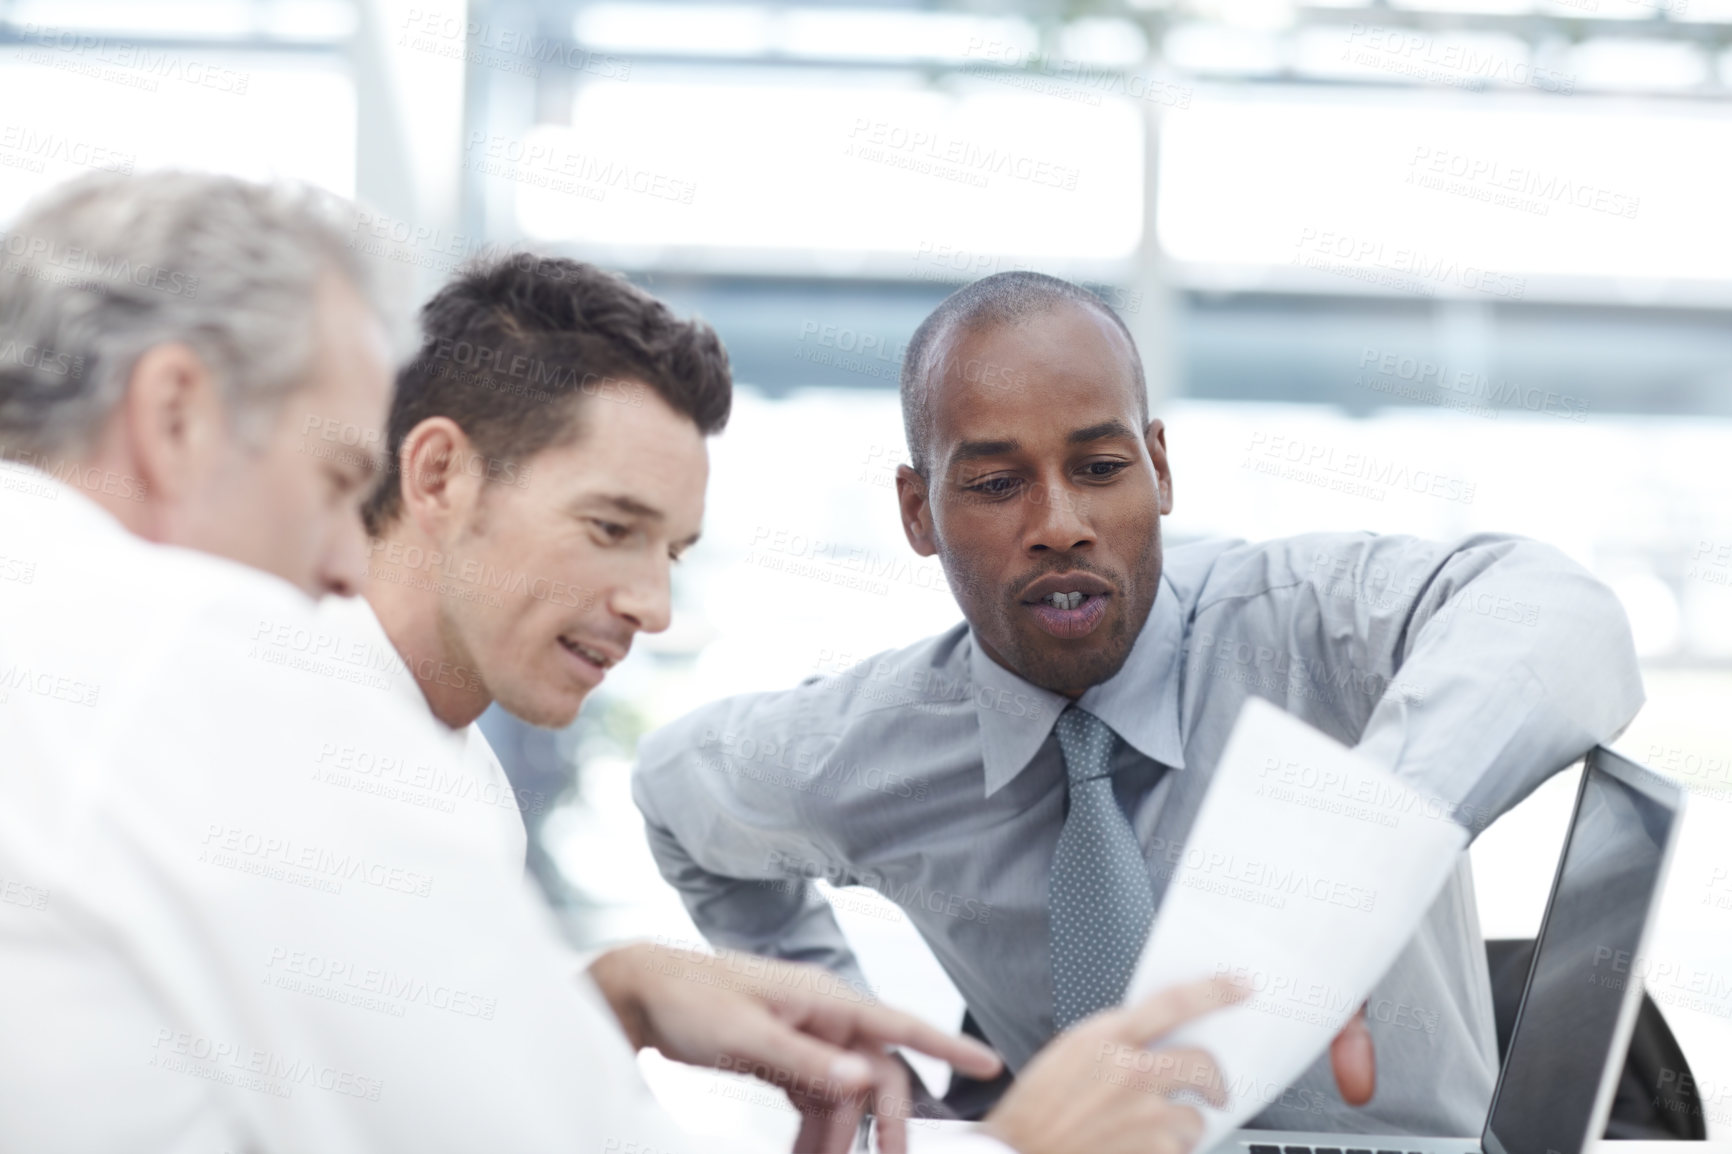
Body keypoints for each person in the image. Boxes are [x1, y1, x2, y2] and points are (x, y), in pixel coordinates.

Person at [0, 172, 1241, 1154]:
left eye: (672, 551)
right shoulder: (199, 661)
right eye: (333, 480)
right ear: (171, 417)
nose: (339, 553)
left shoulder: (87, 655)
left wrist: (601, 995)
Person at [632, 271, 1647, 1136]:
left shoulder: (1305, 627)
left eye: (1100, 467)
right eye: (994, 483)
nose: (1061, 524)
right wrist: (863, 1077)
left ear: (1158, 468)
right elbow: (677, 789)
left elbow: (1563, 617)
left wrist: (1353, 850)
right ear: (916, 511)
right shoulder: (873, 745)